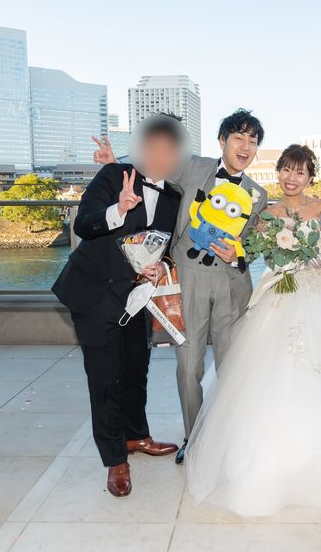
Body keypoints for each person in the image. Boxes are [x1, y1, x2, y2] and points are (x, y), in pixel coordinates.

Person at [185, 145, 321, 516]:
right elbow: (252, 251)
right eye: (286, 170)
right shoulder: (265, 213)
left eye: (300, 172)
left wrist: (307, 260)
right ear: (278, 173)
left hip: (317, 292)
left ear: (310, 178)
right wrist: (246, 255)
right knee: (269, 373)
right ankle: (262, 461)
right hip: (279, 294)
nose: (291, 178)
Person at [92, 108, 268, 465]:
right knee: (189, 368)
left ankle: (228, 438)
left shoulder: (258, 194)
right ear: (223, 140)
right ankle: (194, 436)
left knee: (231, 368)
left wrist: (238, 253)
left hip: (232, 286)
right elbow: (151, 170)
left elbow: (253, 244)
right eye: (239, 138)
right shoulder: (193, 166)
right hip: (188, 280)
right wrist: (114, 165)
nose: (245, 147)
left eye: (252, 141)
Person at [53, 114, 185, 497]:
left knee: (135, 371)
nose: (160, 156)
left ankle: (135, 436)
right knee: (105, 379)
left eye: (169, 149)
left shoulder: (175, 197)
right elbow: (83, 225)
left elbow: (169, 246)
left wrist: (161, 265)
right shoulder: (114, 176)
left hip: (137, 298)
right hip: (95, 294)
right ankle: (115, 459)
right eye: (153, 146)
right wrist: (119, 210)